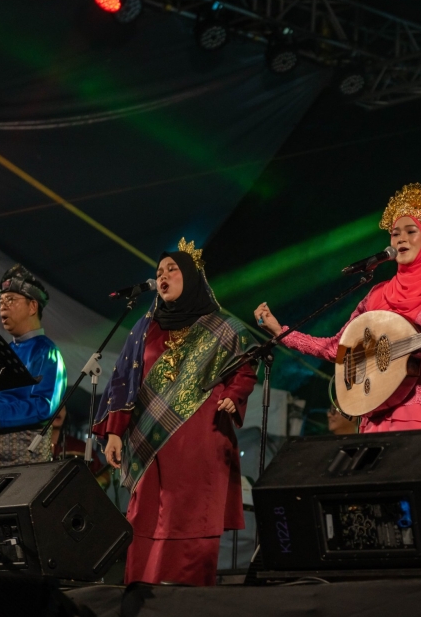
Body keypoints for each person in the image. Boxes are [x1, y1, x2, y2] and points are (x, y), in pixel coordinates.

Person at [93, 239, 257, 586]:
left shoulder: (222, 327)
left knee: (192, 524)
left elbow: (244, 368)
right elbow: (122, 380)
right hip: (149, 447)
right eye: (158, 272)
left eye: (172, 269)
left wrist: (232, 394)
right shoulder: (144, 328)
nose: (163, 276)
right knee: (146, 524)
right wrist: (114, 431)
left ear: (193, 277)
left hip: (201, 442)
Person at [255, 183, 421, 432]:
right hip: (380, 417)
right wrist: (280, 331)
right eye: (395, 233)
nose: (400, 238)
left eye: (410, 231)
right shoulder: (378, 294)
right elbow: (337, 349)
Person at [0, 265, 66, 468]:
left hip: (24, 453)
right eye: (1, 301)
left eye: (11, 300)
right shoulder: (4, 350)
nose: (3, 306)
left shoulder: (47, 352)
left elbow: (44, 407)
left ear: (33, 307)